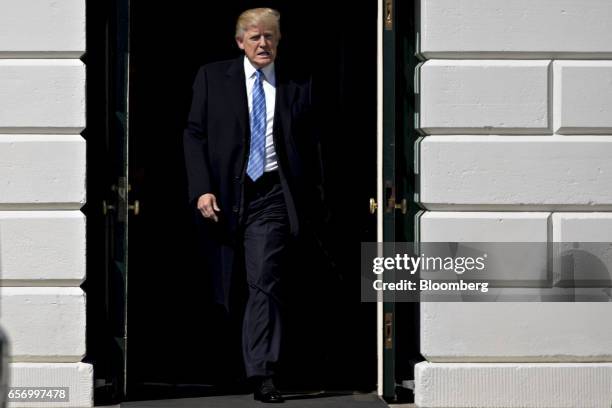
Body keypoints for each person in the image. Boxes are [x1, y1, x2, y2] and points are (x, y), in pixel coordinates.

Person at [183, 7, 326, 403]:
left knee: (264, 280)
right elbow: (194, 135)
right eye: (255, 36)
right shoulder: (212, 77)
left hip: (273, 195)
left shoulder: (298, 82)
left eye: (270, 36)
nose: (263, 43)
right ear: (240, 42)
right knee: (224, 286)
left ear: (279, 41)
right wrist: (202, 189)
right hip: (225, 196)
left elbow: (313, 144)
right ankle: (221, 368)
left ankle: (263, 373)